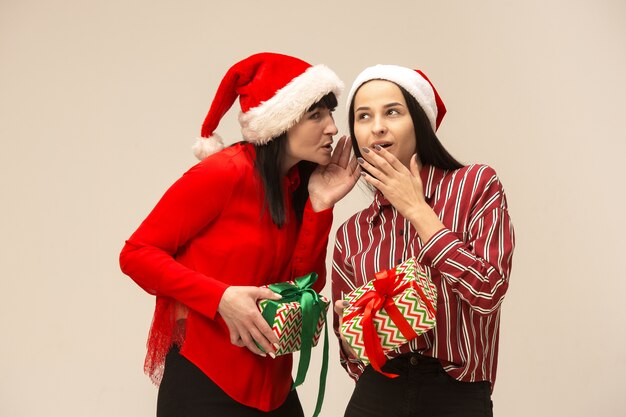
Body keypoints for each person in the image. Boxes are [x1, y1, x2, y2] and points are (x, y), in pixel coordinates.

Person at [119, 52, 359, 417]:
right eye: (316, 115)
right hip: (206, 380)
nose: (332, 128)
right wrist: (221, 298)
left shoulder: (296, 184)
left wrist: (320, 205)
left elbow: (303, 287)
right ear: (280, 123)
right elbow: (136, 254)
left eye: (329, 113)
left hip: (273, 386)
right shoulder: (225, 173)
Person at [331, 64, 515, 417]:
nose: (377, 127)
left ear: (420, 121)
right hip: (377, 394)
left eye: (392, 112)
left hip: (457, 394)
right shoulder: (352, 232)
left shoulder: (476, 185)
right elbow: (350, 354)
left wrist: (417, 209)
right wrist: (353, 326)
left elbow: (488, 292)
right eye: (363, 116)